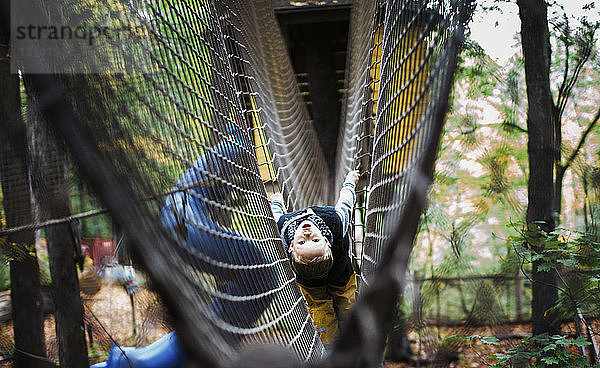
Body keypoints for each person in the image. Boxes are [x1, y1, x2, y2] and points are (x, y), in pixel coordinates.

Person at [270, 170, 359, 346]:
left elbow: (275, 215)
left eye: (303, 242)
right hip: (333, 277)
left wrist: (276, 201)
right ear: (327, 241)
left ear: (291, 247)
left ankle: (350, 339)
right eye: (314, 240)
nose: (307, 233)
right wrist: (350, 182)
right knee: (321, 311)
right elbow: (346, 203)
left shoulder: (283, 230)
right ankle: (331, 346)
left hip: (337, 274)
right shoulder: (335, 221)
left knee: (346, 306)